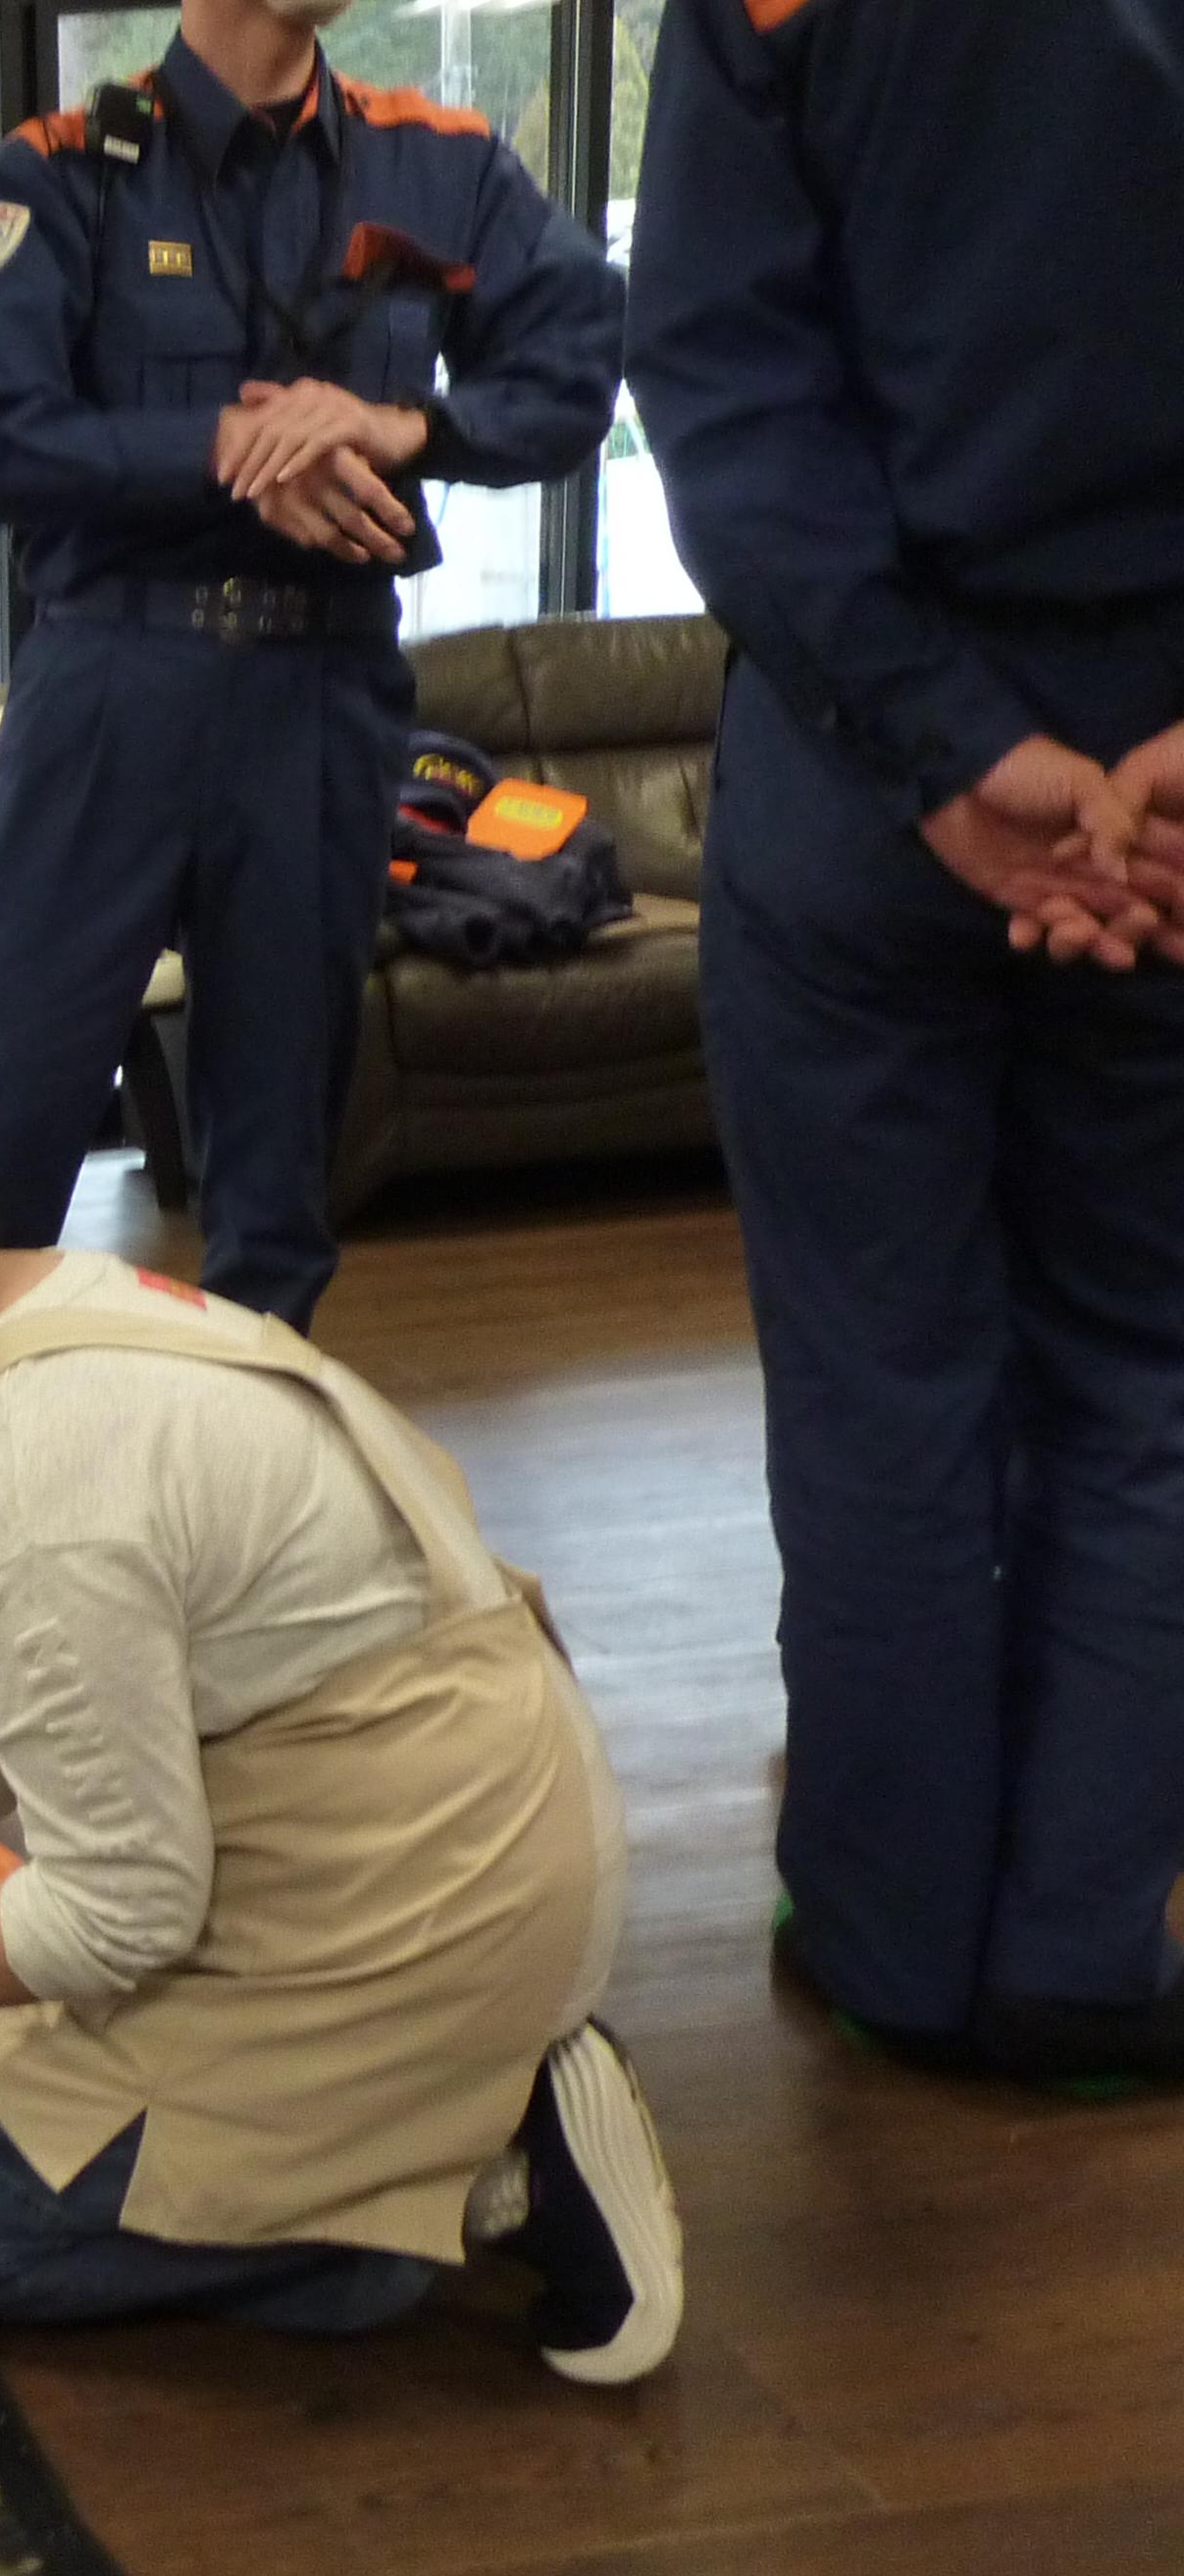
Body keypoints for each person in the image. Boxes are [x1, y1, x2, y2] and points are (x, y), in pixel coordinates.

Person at [0, 1040, 684, 2384]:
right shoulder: (30, 1314)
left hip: (425, 1906)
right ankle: (428, 2114)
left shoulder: (39, 1478)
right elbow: (1, 1707)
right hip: (381, 1817)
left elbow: (125, 1912)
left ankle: (479, 2178)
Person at [0, 0, 620, 1588]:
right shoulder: (67, 169)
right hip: (112, 687)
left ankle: (233, 1548)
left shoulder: (441, 163)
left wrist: (399, 422)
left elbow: (575, 375)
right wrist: (227, 446)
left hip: (324, 695)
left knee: (277, 1170)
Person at [625, 0, 1184, 2081]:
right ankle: (1081, 1953)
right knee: (1148, 1375)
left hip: (859, 797)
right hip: (1163, 789)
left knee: (879, 1383)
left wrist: (949, 752)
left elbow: (721, 380)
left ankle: (889, 1945)